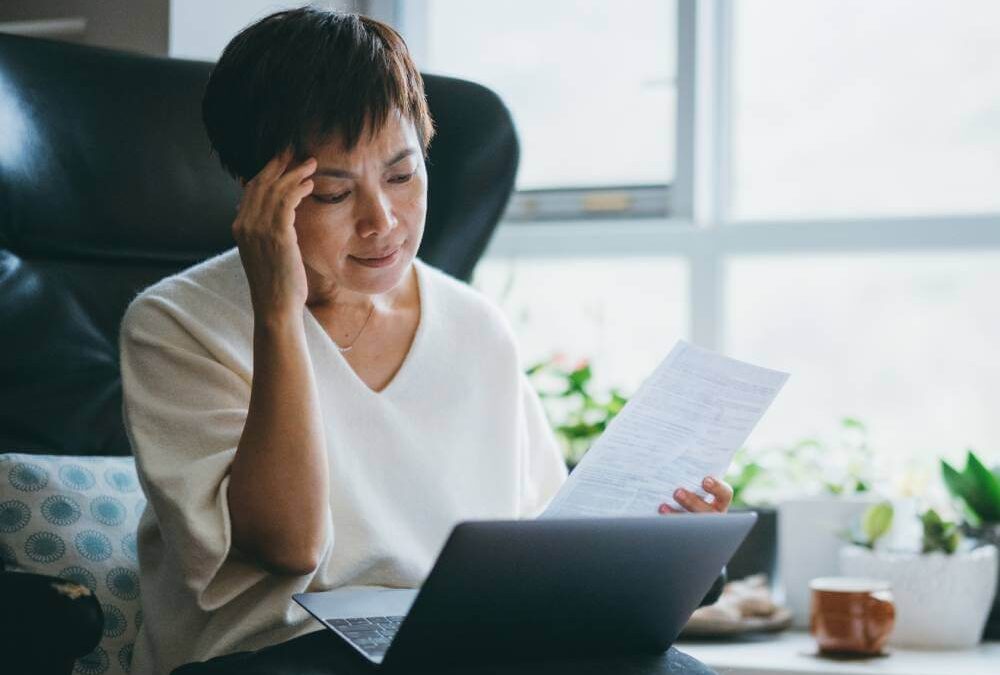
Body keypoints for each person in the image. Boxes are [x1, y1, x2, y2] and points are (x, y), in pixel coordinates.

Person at [119, 8, 734, 674]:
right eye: (331, 192)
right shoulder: (175, 325)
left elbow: (538, 551)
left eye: (403, 175)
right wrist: (277, 311)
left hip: (456, 643)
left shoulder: (474, 325)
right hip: (274, 652)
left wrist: (669, 542)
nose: (381, 221)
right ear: (259, 194)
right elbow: (291, 547)